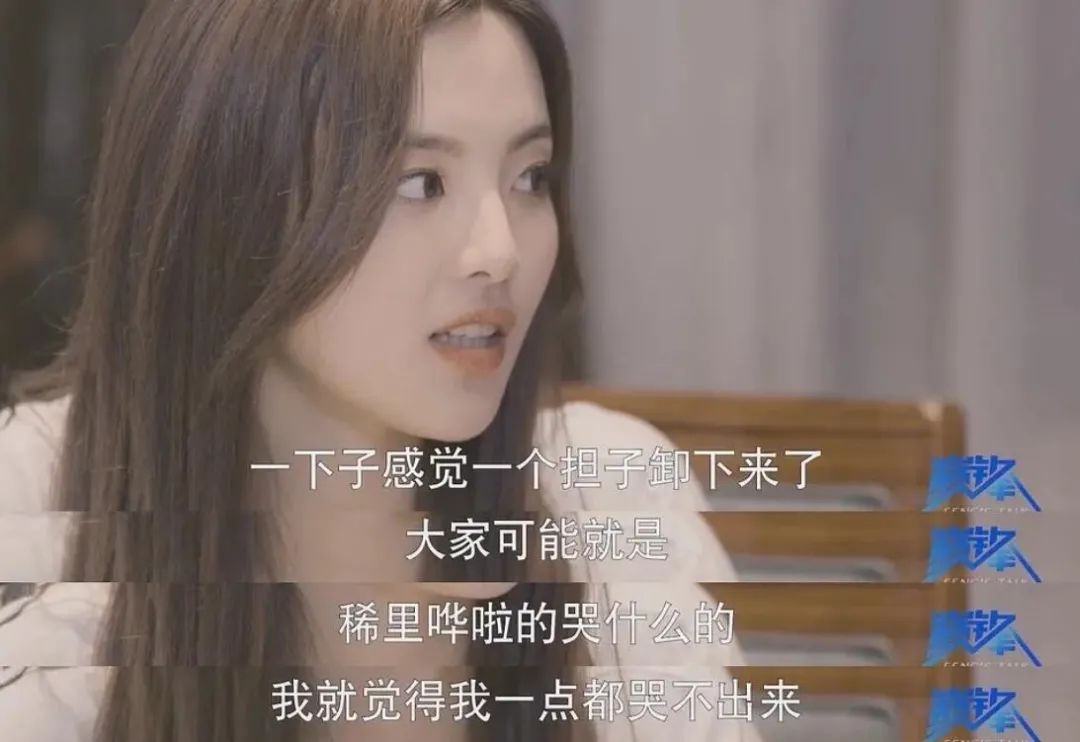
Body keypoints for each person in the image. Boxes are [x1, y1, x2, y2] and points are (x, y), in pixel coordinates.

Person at [0, 1, 763, 741]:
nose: (500, 250)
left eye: (530, 177)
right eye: (421, 183)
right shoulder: (48, 586)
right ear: (228, 203)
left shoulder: (609, 517)